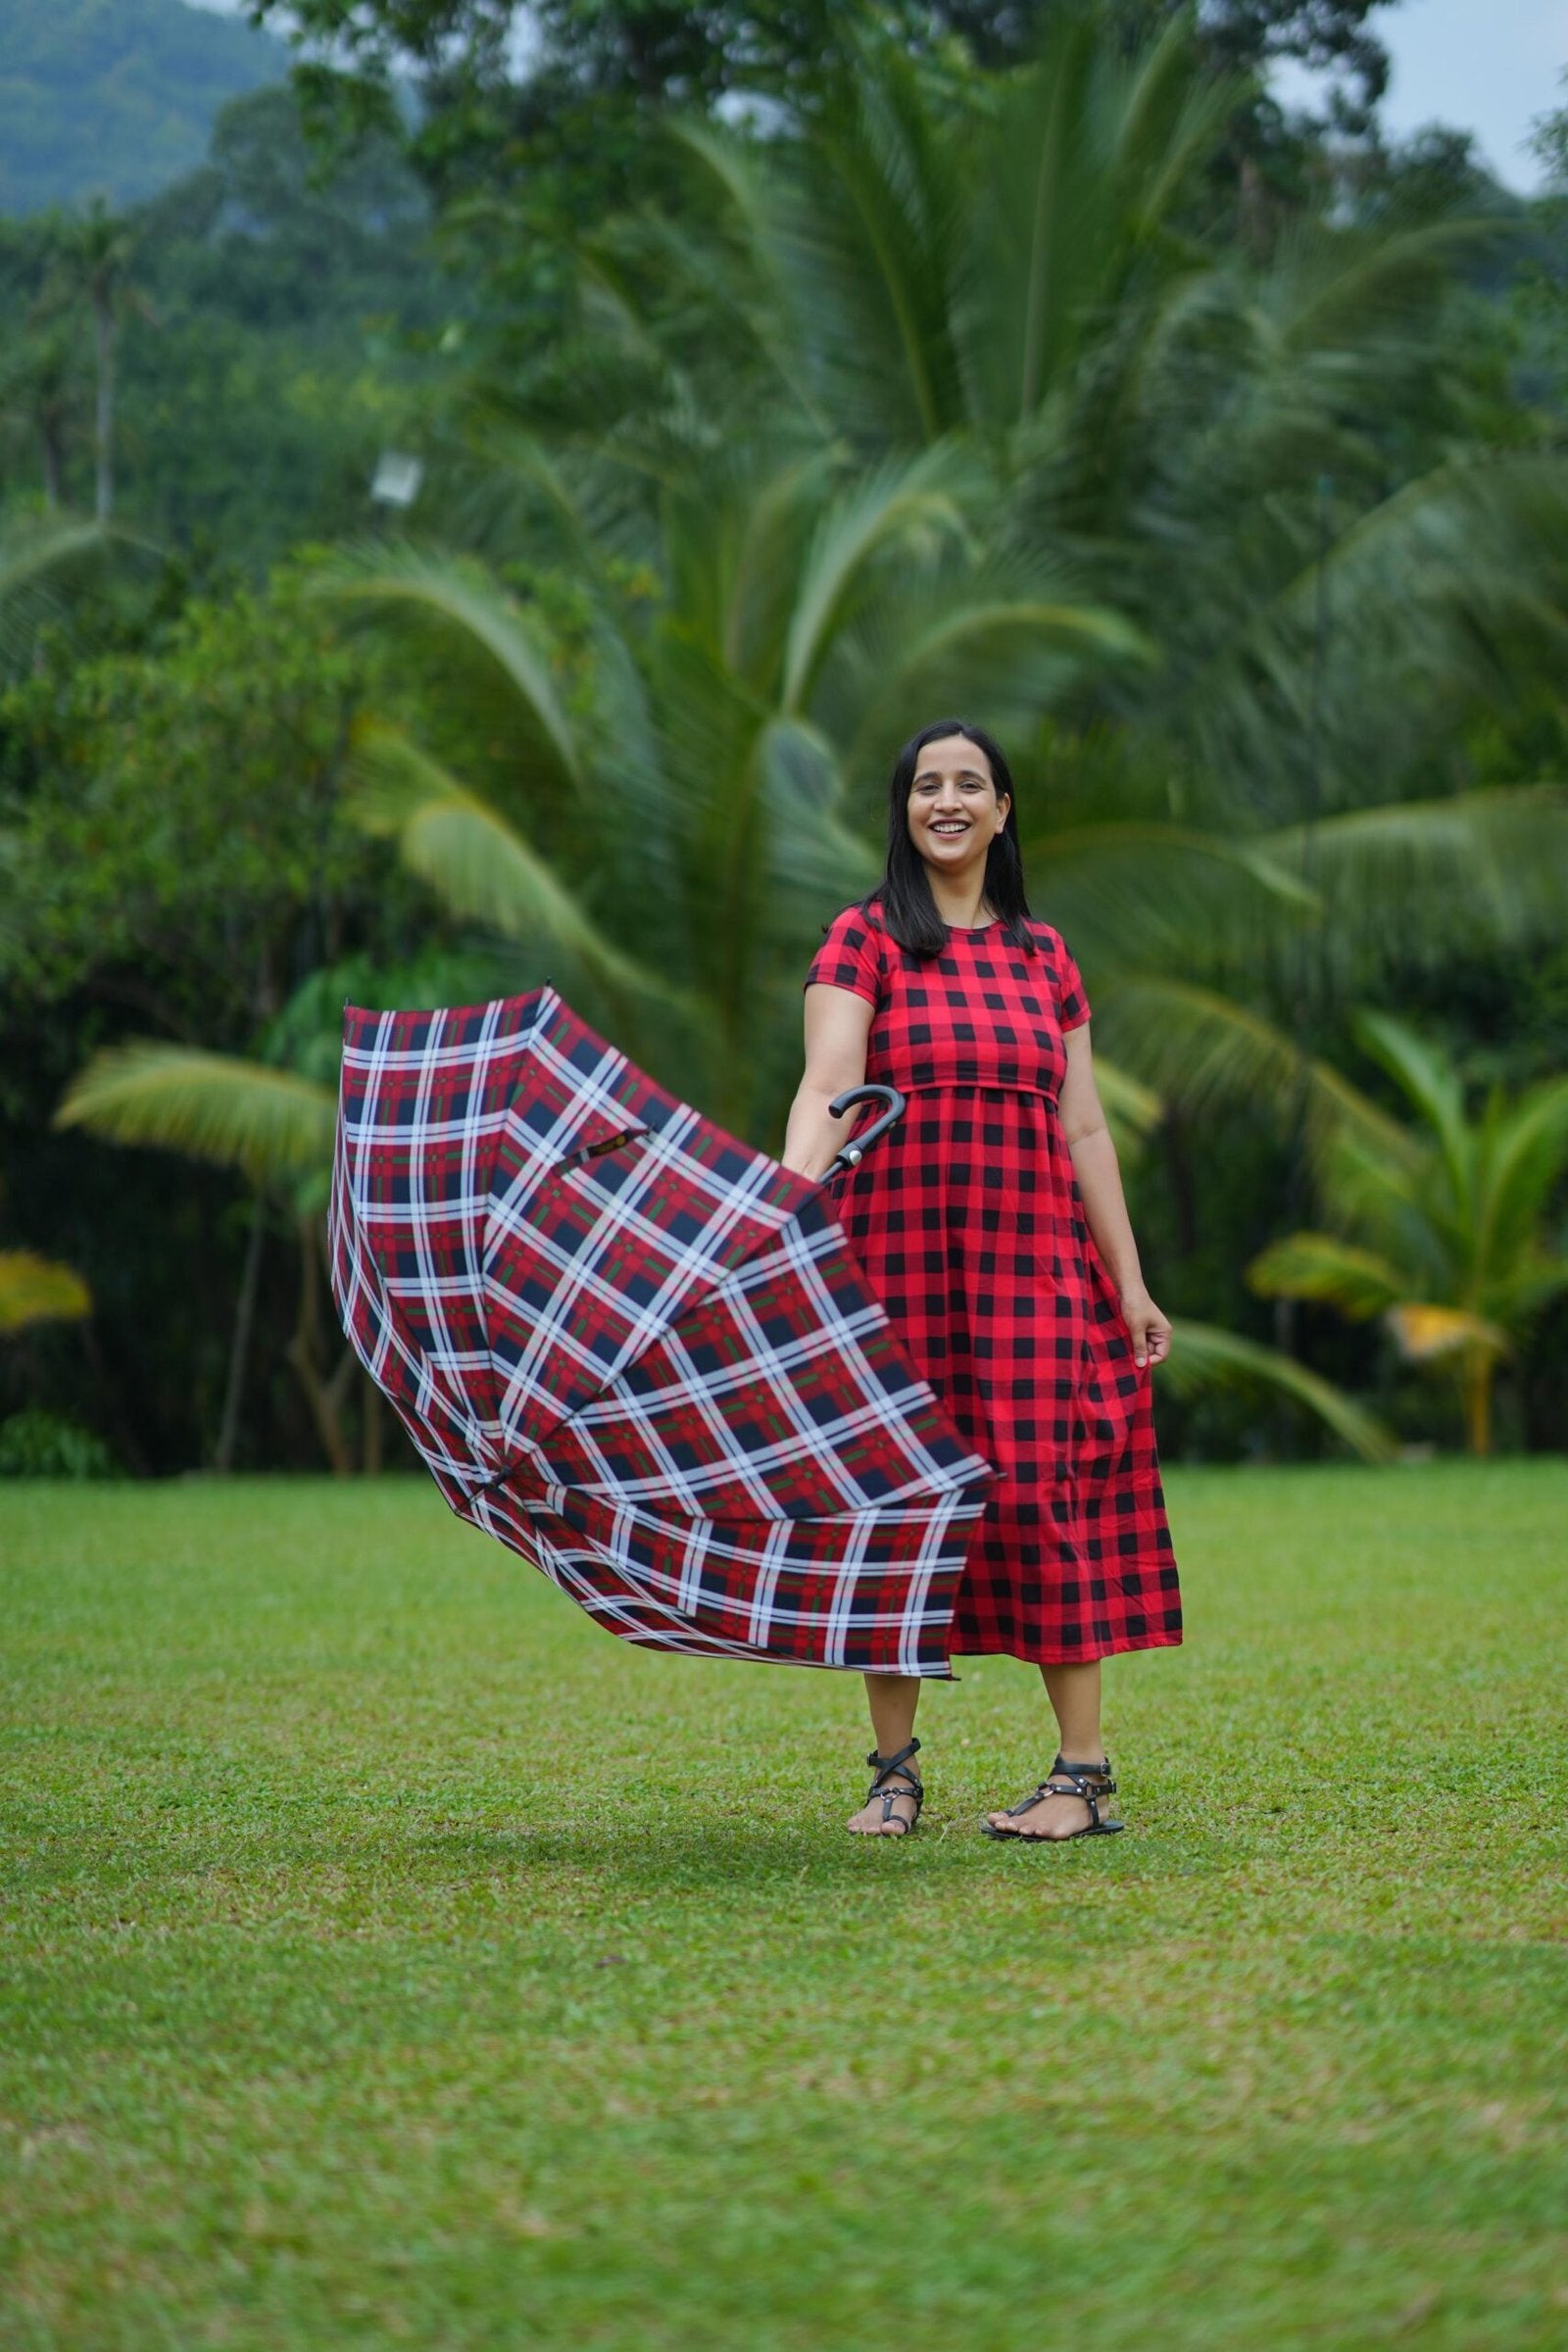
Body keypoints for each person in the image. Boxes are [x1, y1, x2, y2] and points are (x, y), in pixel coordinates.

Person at [781, 718, 1182, 1842]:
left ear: (1003, 810)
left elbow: (1086, 1127)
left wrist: (1131, 1283)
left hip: (1032, 1270)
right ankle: (894, 1774)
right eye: (924, 785)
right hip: (891, 1264)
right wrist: (773, 1215)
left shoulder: (1044, 957)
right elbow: (827, 1087)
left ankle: (1080, 1778)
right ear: (902, 811)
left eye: (969, 784)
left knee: (1044, 1490)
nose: (945, 801)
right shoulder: (862, 940)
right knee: (896, 1502)